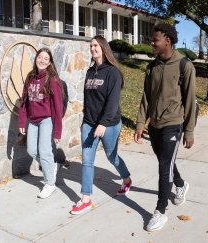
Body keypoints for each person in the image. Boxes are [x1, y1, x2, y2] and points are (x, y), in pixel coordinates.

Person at [134, 23, 197, 232]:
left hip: (174, 123)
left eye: (155, 40)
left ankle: (160, 211)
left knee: (163, 168)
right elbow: (145, 97)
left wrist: (189, 130)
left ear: (167, 41)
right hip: (155, 125)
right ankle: (180, 184)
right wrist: (141, 123)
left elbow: (190, 100)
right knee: (166, 161)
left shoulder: (184, 65)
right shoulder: (151, 67)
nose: (152, 43)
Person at [70, 35, 132, 215]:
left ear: (104, 48)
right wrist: (86, 121)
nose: (93, 48)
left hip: (109, 124)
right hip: (89, 123)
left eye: (96, 45)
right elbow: (88, 99)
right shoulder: (90, 72)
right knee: (87, 160)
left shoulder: (113, 72)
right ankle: (86, 199)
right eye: (91, 46)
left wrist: (103, 123)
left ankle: (126, 179)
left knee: (112, 156)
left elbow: (112, 102)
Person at [18, 47, 64, 199]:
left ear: (50, 62)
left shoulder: (53, 80)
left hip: (46, 120)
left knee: (44, 151)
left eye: (46, 58)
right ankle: (51, 166)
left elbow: (58, 107)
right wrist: (22, 121)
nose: (42, 60)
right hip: (33, 120)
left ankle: (50, 184)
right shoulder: (30, 77)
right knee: (32, 151)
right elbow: (24, 101)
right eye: (40, 57)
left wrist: (57, 131)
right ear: (36, 58)